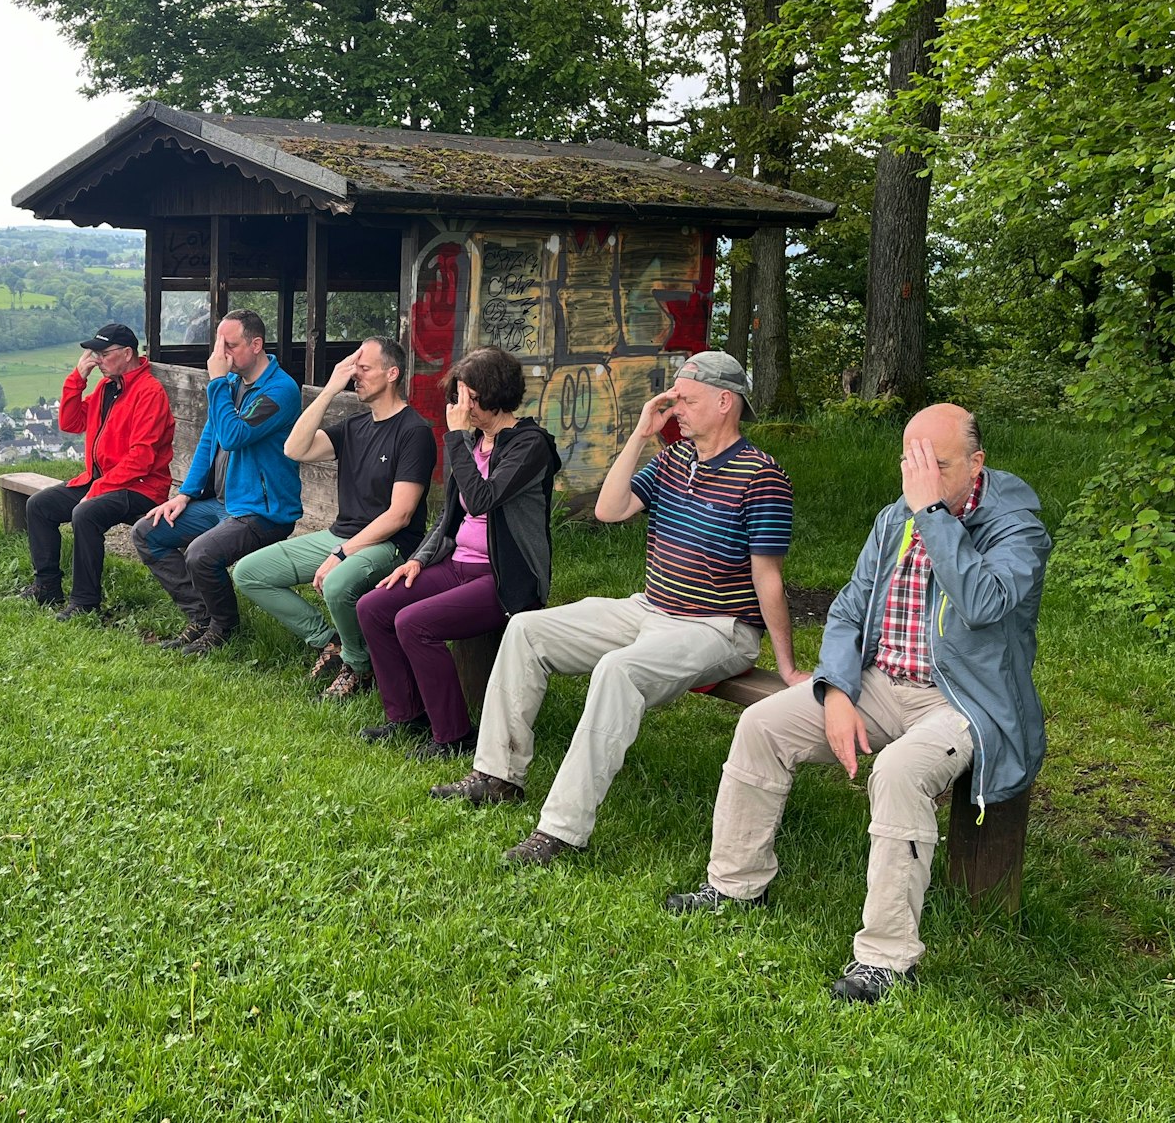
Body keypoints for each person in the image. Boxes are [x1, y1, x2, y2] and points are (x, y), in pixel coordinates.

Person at [668, 404, 1051, 1004]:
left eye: (935, 464)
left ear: (977, 465)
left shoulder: (1017, 529)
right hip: (879, 683)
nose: (917, 477)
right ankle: (735, 884)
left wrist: (931, 514)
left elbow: (983, 603)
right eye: (909, 461)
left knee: (898, 772)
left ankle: (886, 959)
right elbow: (849, 609)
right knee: (762, 724)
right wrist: (838, 689)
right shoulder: (893, 518)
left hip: (964, 703)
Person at [430, 350, 807, 865]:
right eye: (673, 401)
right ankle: (498, 774)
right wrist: (641, 434)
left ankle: (561, 831)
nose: (675, 409)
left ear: (726, 402)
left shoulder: (762, 475)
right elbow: (610, 510)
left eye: (686, 401)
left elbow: (769, 578)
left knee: (617, 671)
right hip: (650, 608)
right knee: (527, 630)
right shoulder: (675, 460)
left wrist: (785, 665)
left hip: (718, 628)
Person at [355, 346, 559, 757]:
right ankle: (407, 717)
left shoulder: (530, 444)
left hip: (503, 578)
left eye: (466, 395)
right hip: (457, 565)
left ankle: (453, 736)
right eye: (457, 395)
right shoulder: (472, 443)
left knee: (414, 623)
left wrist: (455, 440)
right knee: (373, 607)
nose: (458, 405)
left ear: (492, 393)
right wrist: (417, 559)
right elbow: (452, 518)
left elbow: (483, 498)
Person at [232, 336, 436, 701]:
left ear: (392, 373)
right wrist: (328, 391)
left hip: (389, 544)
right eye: (353, 369)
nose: (355, 376)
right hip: (340, 535)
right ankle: (330, 642)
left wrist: (342, 554)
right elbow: (294, 449)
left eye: (365, 368)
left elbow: (400, 514)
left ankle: (358, 666)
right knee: (249, 573)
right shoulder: (354, 427)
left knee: (339, 584)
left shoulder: (414, 431)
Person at [131, 310, 302, 655]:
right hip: (224, 503)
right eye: (219, 344)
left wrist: (215, 383)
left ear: (256, 345)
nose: (222, 353)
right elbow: (211, 437)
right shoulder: (234, 384)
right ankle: (203, 617)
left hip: (263, 511)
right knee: (148, 533)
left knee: (200, 555)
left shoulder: (281, 390)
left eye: (231, 345)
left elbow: (235, 434)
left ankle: (224, 628)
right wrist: (185, 495)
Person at [16, 323, 174, 621]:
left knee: (85, 513)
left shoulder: (148, 392)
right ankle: (47, 585)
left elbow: (141, 459)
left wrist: (95, 491)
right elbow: (71, 423)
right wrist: (78, 378)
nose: (97, 359)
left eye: (103, 353)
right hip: (104, 482)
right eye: (94, 353)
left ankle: (85, 602)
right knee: (40, 505)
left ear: (127, 353)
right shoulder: (105, 387)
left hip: (141, 488)